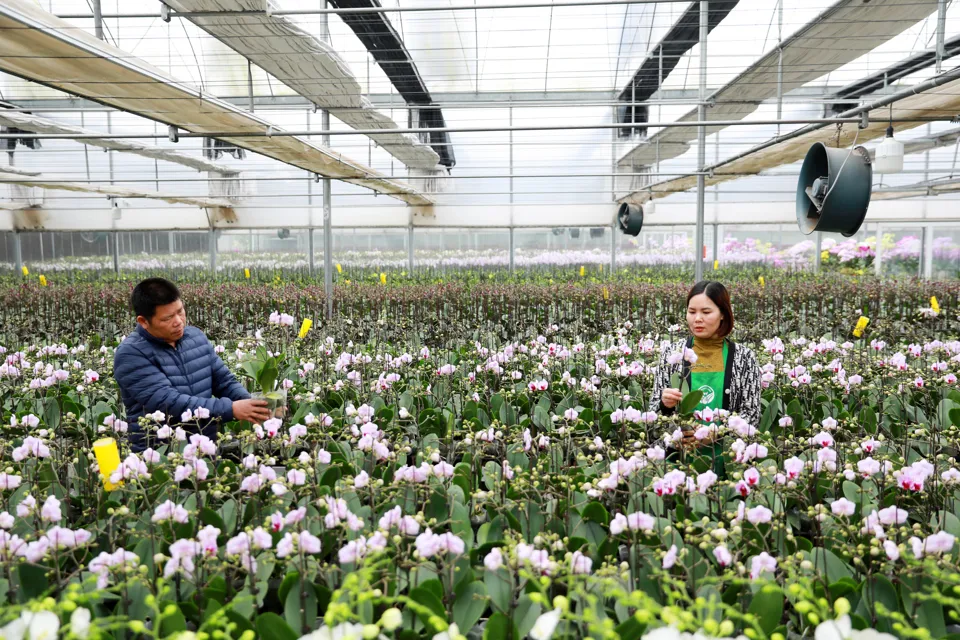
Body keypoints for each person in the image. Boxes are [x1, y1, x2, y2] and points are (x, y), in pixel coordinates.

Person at [114, 277, 271, 451]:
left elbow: (224, 381)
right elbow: (168, 403)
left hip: (205, 448)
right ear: (143, 322)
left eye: (180, 311)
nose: (178, 321)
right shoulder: (131, 354)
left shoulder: (195, 337)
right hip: (161, 454)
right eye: (167, 318)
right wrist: (231, 409)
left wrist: (257, 406)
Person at [648, 280, 762, 474]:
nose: (697, 319)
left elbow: (752, 416)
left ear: (723, 314)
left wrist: (717, 433)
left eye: (706, 312)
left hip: (729, 466)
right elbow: (651, 423)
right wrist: (665, 406)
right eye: (692, 312)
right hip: (678, 466)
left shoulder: (743, 358)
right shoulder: (673, 355)